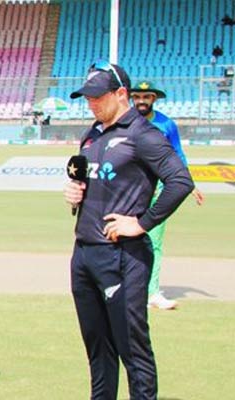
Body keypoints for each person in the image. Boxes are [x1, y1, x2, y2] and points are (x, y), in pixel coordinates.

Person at [64, 61, 194, 399]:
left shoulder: (142, 134)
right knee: (98, 348)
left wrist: (141, 223)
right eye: (86, 98)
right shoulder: (91, 133)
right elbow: (88, 179)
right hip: (84, 254)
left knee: (132, 349)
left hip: (123, 256)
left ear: (121, 94)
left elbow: (180, 181)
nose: (90, 104)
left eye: (97, 97)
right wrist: (74, 194)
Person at [130, 81, 205, 310]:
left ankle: (152, 292)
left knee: (154, 242)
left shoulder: (166, 124)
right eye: (138, 97)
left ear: (154, 99)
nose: (142, 101)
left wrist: (188, 183)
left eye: (147, 97)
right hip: (129, 192)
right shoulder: (124, 121)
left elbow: (177, 155)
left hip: (157, 193)